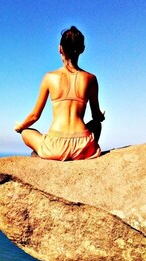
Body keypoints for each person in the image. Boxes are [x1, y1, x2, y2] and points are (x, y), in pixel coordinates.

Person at [14, 26, 105, 161]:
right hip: (83, 146)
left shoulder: (49, 77)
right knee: (96, 125)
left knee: (26, 132)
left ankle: (44, 151)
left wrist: (20, 127)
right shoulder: (91, 79)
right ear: (82, 49)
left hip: (55, 147)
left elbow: (34, 116)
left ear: (60, 48)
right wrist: (101, 116)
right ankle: (79, 154)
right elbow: (96, 116)